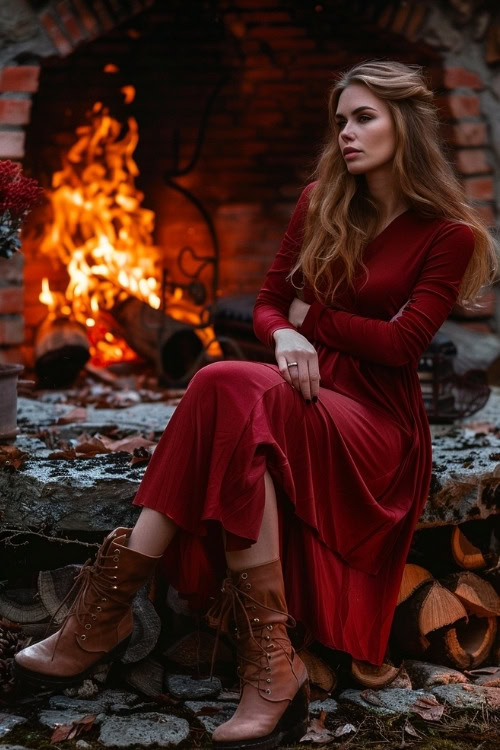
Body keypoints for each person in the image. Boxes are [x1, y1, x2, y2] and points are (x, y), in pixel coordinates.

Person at [15, 60, 496, 750]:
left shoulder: (447, 233)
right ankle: (267, 666)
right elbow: (269, 303)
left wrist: (314, 321)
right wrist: (290, 328)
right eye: (341, 121)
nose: (348, 134)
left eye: (364, 117)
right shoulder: (321, 200)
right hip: (297, 397)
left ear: (406, 124)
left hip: (376, 425)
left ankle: (102, 618)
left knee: (226, 382)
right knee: (228, 386)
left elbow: (399, 345)